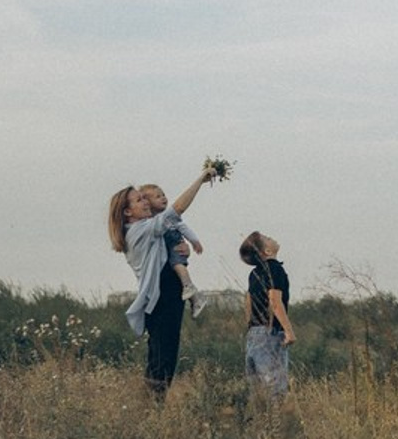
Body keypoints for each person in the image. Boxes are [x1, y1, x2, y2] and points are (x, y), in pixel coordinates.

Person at [107, 163, 219, 396]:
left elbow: (169, 235)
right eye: (139, 200)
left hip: (163, 290)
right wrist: (201, 179)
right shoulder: (139, 230)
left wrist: (182, 247)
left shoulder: (144, 228)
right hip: (163, 291)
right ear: (127, 212)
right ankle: (154, 404)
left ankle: (153, 404)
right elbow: (176, 210)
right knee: (164, 354)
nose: (145, 202)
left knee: (161, 351)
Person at [240, 231, 295, 399]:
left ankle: (258, 422)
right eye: (266, 239)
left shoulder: (253, 274)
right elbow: (275, 301)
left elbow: (248, 302)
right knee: (276, 389)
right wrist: (288, 330)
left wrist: (251, 328)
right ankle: (278, 424)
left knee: (256, 392)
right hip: (269, 332)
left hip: (254, 333)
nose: (271, 237)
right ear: (267, 252)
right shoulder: (275, 269)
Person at [139, 183, 207, 317]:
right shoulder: (146, 223)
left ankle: (189, 287)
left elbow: (183, 227)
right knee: (177, 264)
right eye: (157, 197)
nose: (163, 198)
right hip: (159, 277)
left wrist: (193, 241)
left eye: (163, 195)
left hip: (174, 244)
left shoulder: (167, 217)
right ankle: (192, 293)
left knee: (177, 264)